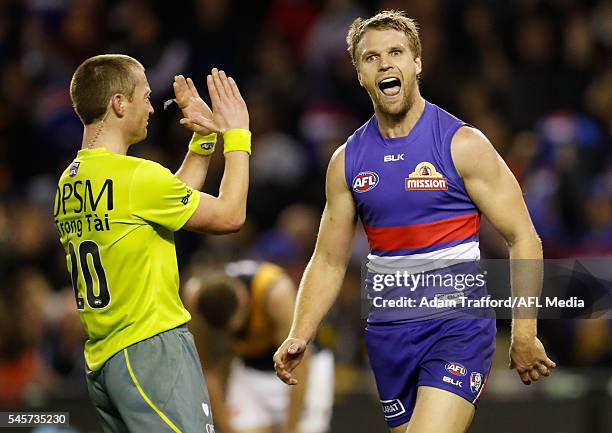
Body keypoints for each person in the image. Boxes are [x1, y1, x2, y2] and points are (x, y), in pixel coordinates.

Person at [274, 10, 556, 433]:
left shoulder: (463, 144)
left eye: (396, 52)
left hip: (457, 328)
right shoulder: (347, 162)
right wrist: (301, 331)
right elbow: (329, 260)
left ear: (417, 62)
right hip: (388, 336)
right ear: (359, 74)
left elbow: (523, 237)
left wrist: (524, 330)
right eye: (371, 57)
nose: (385, 63)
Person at [54, 54, 251, 433]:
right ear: (118, 103)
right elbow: (230, 215)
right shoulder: (136, 176)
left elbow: (165, 203)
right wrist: (237, 135)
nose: (151, 107)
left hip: (107, 359)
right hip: (152, 351)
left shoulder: (70, 181)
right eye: (145, 96)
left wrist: (204, 139)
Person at [185, 260, 334, 433]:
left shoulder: (275, 293)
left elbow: (300, 366)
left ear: (245, 302)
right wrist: (227, 428)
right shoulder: (199, 301)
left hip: (303, 365)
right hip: (250, 367)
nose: (237, 332)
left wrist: (291, 429)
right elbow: (208, 369)